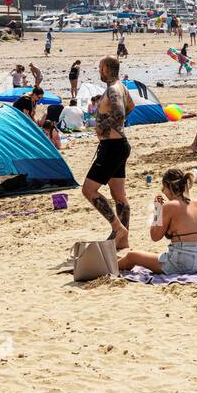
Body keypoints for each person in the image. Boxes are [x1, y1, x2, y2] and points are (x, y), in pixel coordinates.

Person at [115, 169, 197, 275]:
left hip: (183, 263)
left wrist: (158, 210)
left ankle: (109, 267)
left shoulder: (170, 206)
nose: (162, 191)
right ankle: (117, 261)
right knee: (151, 255)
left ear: (167, 185)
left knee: (131, 256)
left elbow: (155, 236)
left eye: (163, 187)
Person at [82, 56, 134, 250]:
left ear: (106, 68)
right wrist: (115, 126)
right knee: (118, 194)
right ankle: (123, 240)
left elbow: (120, 112)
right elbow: (131, 107)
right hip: (119, 145)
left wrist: (103, 126)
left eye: (99, 68)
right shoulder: (122, 87)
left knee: (88, 190)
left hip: (112, 147)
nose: (98, 71)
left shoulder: (113, 89)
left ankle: (118, 228)